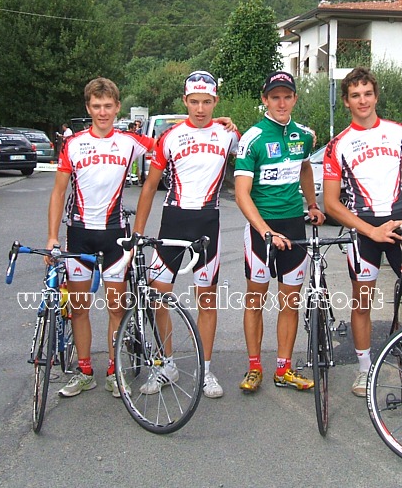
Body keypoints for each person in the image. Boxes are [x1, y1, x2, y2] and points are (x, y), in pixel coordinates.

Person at [322, 66, 402, 397]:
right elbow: (331, 203)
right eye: (355, 95)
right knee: (363, 302)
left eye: (368, 94)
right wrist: (369, 232)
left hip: (400, 221)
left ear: (376, 95)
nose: (363, 101)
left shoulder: (399, 132)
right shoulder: (338, 145)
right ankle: (364, 369)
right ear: (346, 101)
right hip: (363, 225)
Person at [133, 70, 240, 399]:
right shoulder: (170, 137)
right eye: (194, 102)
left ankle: (206, 370)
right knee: (157, 293)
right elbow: (150, 186)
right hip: (174, 221)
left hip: (208, 223)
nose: (200, 108)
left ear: (215, 102)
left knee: (206, 298)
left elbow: (249, 171)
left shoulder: (228, 136)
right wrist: (138, 233)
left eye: (207, 102)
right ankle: (167, 364)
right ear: (184, 101)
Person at [47, 77, 155, 399]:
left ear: (117, 107)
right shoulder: (73, 144)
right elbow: (58, 191)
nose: (103, 112)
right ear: (88, 107)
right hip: (79, 234)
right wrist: (52, 237)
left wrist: (219, 124)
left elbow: (172, 142)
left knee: (116, 310)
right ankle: (83, 371)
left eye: (108, 106)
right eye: (97, 106)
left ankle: (113, 369)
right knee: (79, 308)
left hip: (115, 237)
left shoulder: (130, 142)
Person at [234, 71, 325, 393]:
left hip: (294, 228)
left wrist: (312, 203)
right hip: (263, 230)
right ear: (265, 100)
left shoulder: (304, 136)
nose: (282, 102)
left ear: (295, 99)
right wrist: (265, 231)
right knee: (255, 299)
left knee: (290, 302)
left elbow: (303, 167)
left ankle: (283, 369)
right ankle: (254, 366)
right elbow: (242, 193)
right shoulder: (253, 138)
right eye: (275, 97)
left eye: (287, 96)